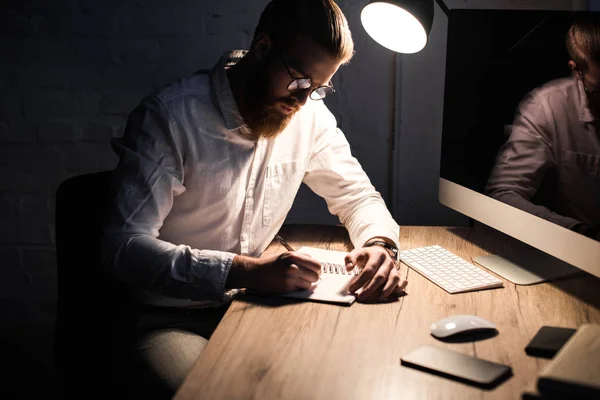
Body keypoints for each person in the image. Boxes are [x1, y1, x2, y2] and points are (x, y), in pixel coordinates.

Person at [101, 0, 408, 397]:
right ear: (262, 48)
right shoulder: (170, 118)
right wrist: (243, 271)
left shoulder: (309, 116)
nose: (301, 101)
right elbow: (123, 249)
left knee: (346, 375)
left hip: (254, 306)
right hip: (168, 317)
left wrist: (379, 244)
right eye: (298, 80)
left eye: (318, 88)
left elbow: (356, 195)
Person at [485, 15, 600, 241]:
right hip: (577, 255)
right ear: (576, 70)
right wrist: (580, 233)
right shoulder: (547, 106)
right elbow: (503, 195)